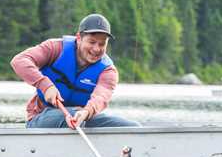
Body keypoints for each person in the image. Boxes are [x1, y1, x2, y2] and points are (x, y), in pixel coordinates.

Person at [11, 13, 140, 128]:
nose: (96, 49)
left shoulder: (108, 71)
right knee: (73, 115)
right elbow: (19, 61)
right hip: (41, 118)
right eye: (92, 42)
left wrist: (85, 112)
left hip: (82, 118)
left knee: (133, 127)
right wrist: (45, 85)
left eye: (102, 44)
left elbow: (100, 97)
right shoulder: (54, 48)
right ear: (79, 38)